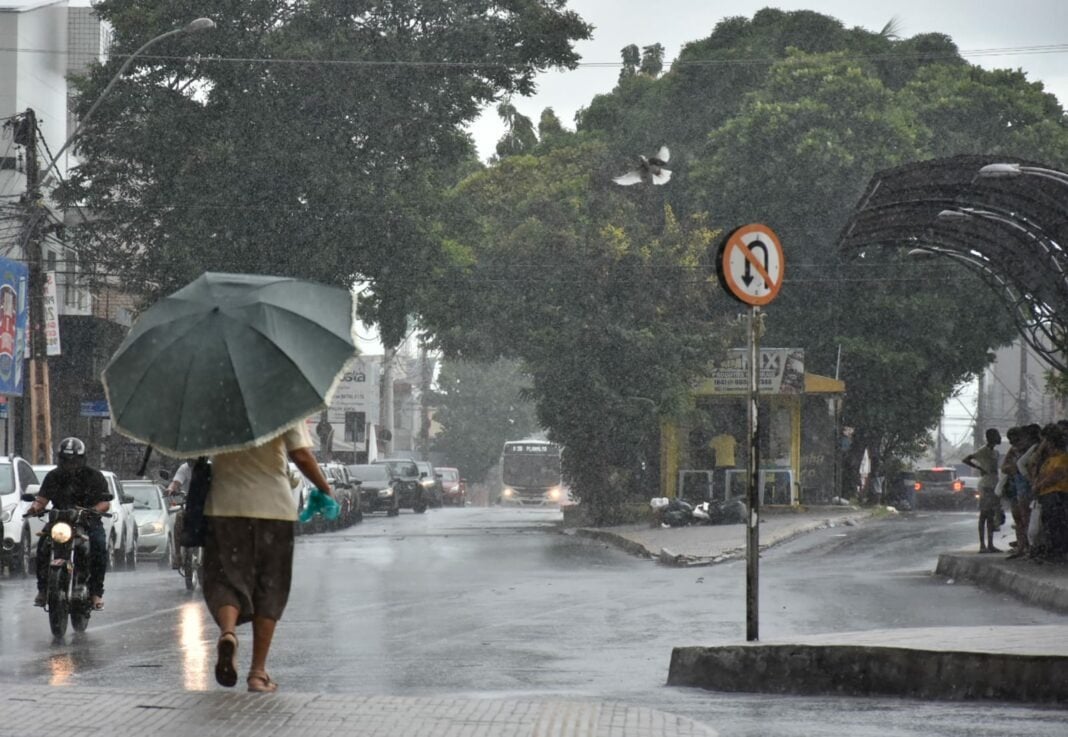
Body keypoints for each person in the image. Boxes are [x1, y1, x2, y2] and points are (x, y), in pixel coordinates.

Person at [203, 420, 332, 693]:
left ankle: (228, 633)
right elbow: (300, 454)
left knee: (225, 578)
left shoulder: (213, 405)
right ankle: (257, 673)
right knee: (269, 586)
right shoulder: (282, 405)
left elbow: (196, 453)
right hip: (273, 508)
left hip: (224, 507)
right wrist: (325, 487)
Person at [26, 437, 111, 610]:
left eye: (74, 460)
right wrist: (34, 507)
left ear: (82, 459)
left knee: (99, 546)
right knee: (42, 546)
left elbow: (105, 502)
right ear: (60, 460)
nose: (70, 464)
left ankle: (96, 593)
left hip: (87, 522)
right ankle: (42, 590)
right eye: (65, 460)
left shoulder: (94, 476)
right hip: (60, 521)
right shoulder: (53, 476)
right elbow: (42, 498)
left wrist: (93, 510)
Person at [963, 428, 1002, 553]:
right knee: (984, 515)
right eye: (996, 435)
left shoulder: (995, 453)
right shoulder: (983, 451)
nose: (999, 437)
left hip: (994, 484)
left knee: (991, 516)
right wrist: (980, 468)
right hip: (986, 485)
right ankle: (982, 545)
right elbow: (966, 459)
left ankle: (990, 544)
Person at [165, 461, 193, 568]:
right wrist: (171, 489)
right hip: (190, 506)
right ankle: (178, 556)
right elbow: (176, 482)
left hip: (207, 506)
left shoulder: (209, 467)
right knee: (179, 518)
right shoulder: (184, 468)